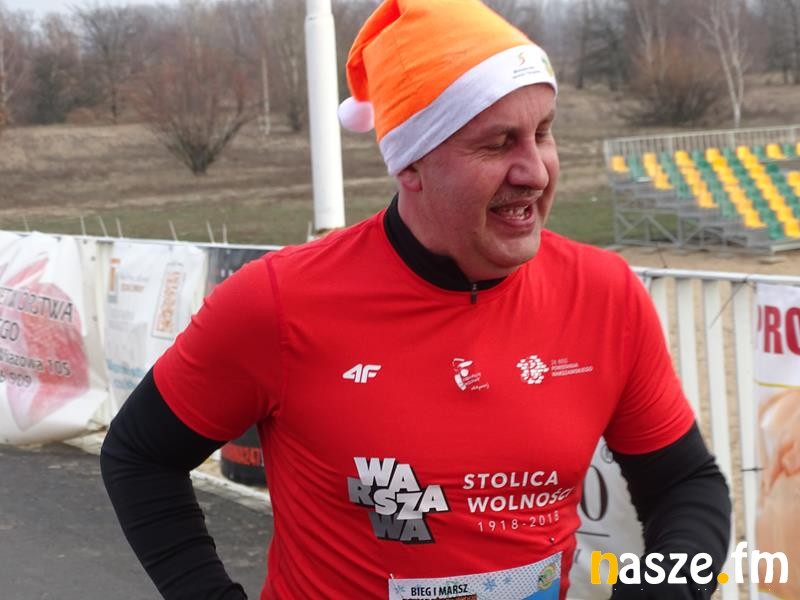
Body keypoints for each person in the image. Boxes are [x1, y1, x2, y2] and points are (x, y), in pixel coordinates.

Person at [100, 1, 731, 598]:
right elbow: (140, 455)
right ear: (410, 163)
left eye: (542, 133)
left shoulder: (604, 293)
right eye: (497, 143)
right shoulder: (279, 302)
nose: (535, 171)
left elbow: (686, 485)